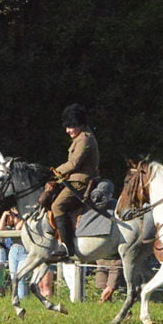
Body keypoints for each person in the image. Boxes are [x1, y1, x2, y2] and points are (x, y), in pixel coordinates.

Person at [51, 103, 99, 258]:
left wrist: (53, 173)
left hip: (80, 182)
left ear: (79, 124)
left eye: (70, 126)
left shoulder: (85, 139)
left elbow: (74, 164)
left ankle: (66, 246)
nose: (67, 130)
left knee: (57, 206)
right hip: (72, 179)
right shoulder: (79, 138)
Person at [0, 206, 28, 299]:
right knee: (13, 277)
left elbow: (18, 228)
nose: (14, 217)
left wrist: (19, 215)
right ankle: (16, 298)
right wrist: (4, 215)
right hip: (13, 250)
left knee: (20, 277)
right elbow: (0, 229)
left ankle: (22, 299)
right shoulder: (9, 227)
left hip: (24, 251)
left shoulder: (26, 222)